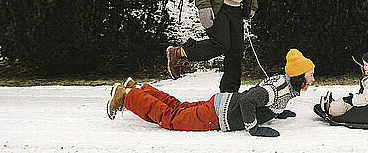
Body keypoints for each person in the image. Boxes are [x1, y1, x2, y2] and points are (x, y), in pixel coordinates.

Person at [107, 49, 314, 137]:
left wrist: (276, 112)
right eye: (310, 75)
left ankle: (140, 89)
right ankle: (127, 96)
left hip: (220, 103)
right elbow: (250, 100)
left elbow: (264, 97)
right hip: (217, 115)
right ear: (298, 76)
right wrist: (253, 128)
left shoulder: (283, 83)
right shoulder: (276, 90)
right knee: (171, 118)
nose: (312, 79)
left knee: (178, 107)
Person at [320, 45, 368, 117]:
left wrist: (352, 100)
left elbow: (366, 99)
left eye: (366, 65)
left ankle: (330, 108)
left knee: (345, 104)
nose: (364, 67)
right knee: (347, 99)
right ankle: (333, 103)